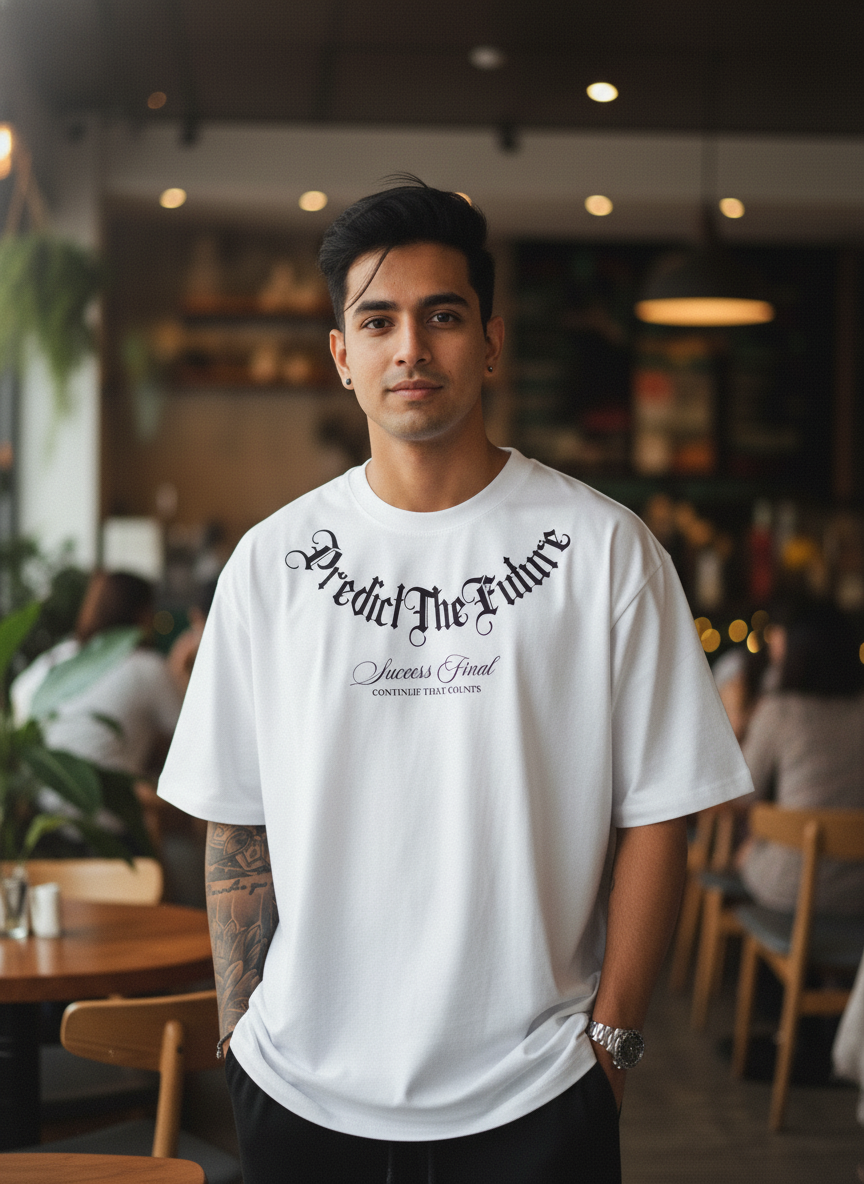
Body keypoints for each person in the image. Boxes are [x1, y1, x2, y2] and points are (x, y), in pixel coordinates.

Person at [158, 180, 753, 1184]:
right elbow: (235, 815)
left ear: (490, 342)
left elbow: (663, 812)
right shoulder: (270, 563)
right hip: (299, 1093)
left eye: (443, 316)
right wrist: (241, 1031)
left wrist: (611, 1052)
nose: (411, 348)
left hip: (537, 1094)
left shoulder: (605, 550)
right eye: (377, 321)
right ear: (340, 355)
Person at [12, 569, 184, 841]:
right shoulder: (145, 666)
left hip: (40, 827)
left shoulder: (55, 660)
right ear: (142, 614)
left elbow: (19, 696)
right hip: (108, 831)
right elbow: (194, 734)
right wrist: (179, 663)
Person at [739, 600, 864, 913]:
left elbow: (742, 794)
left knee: (745, 850)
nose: (773, 641)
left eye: (779, 633)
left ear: (797, 646)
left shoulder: (779, 712)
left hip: (792, 886)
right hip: (858, 889)